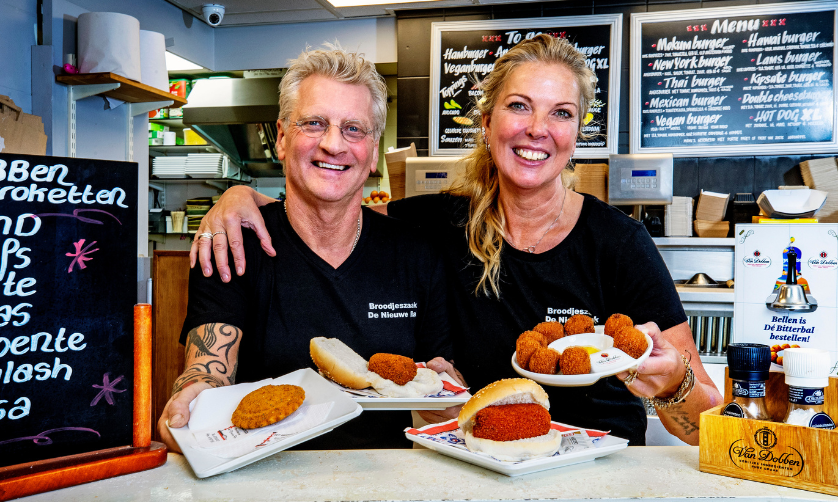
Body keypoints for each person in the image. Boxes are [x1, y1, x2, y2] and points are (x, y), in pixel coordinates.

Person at [191, 34, 721, 446]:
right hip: (479, 463)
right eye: (519, 106)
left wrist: (674, 383)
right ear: (487, 123)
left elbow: (703, 427)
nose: (538, 128)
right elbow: (332, 194)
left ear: (576, 132)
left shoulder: (618, 244)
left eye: (561, 112)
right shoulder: (438, 225)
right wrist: (239, 196)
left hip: (596, 469)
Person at [158, 44, 456, 453]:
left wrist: (448, 393)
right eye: (314, 123)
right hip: (259, 475)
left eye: (354, 129)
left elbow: (439, 377)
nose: (334, 144)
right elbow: (209, 370)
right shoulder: (235, 244)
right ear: (281, 139)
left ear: (372, 153)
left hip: (388, 477)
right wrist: (194, 394)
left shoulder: (417, 253)